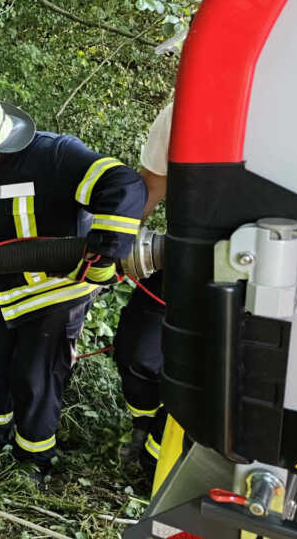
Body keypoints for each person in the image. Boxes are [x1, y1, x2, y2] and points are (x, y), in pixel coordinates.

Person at [0, 92, 146, 481]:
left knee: (35, 377)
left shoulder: (54, 156)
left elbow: (123, 184)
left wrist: (105, 252)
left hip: (54, 294)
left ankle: (35, 459)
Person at [114, 102, 171, 480]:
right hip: (186, 259)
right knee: (136, 352)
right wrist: (114, 242)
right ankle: (143, 427)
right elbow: (152, 188)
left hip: (273, 279)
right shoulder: (180, 115)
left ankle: (159, 463)